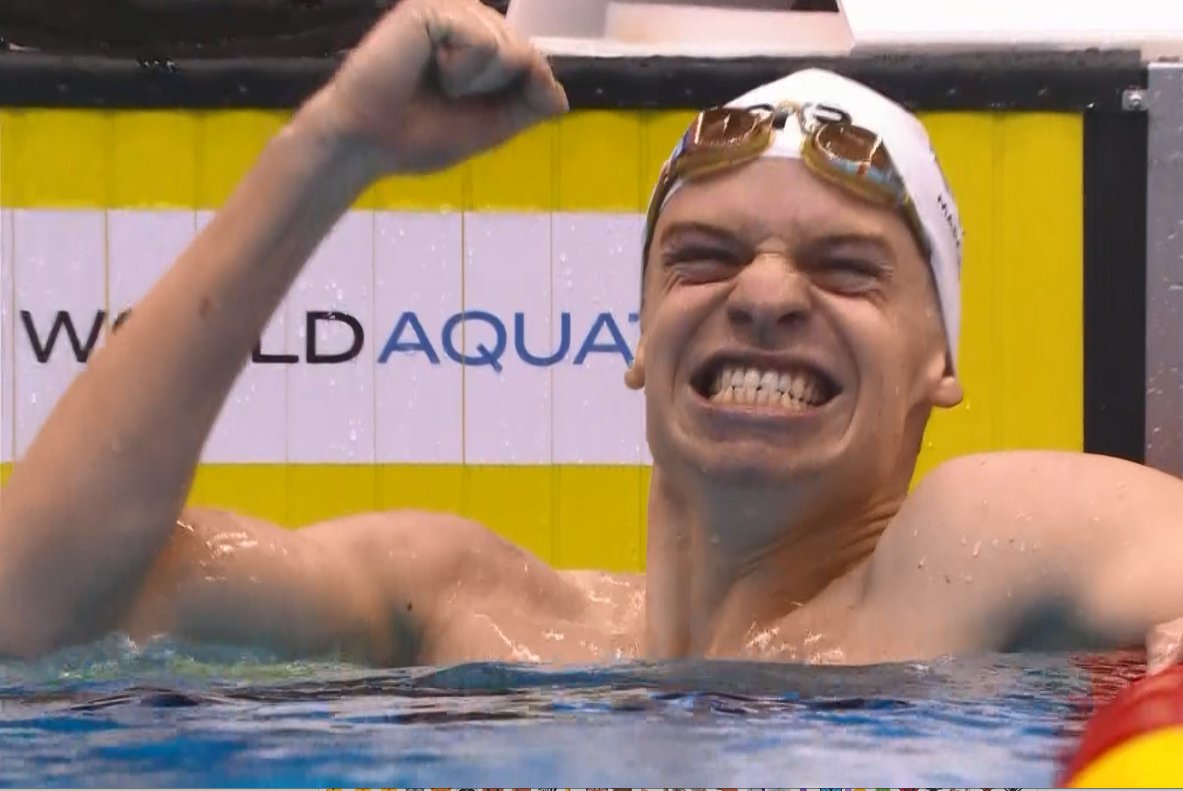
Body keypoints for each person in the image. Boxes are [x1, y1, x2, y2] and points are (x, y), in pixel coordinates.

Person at [1, 0, 1182, 670]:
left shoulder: (966, 553)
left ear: (943, 365)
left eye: (845, 266)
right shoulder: (462, 608)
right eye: (703, 256)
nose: (764, 296)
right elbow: (31, 605)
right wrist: (330, 153)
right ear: (638, 338)